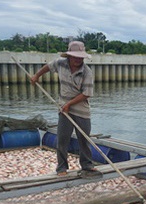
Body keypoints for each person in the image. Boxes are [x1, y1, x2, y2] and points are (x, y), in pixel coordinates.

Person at [30, 41, 99, 177]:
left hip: (81, 110)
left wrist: (69, 104)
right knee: (62, 139)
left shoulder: (87, 72)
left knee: (84, 139)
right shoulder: (60, 63)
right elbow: (48, 67)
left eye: (80, 58)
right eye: (75, 57)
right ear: (68, 56)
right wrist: (37, 76)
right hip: (64, 108)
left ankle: (87, 165)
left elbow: (86, 94)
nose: (78, 60)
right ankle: (61, 168)